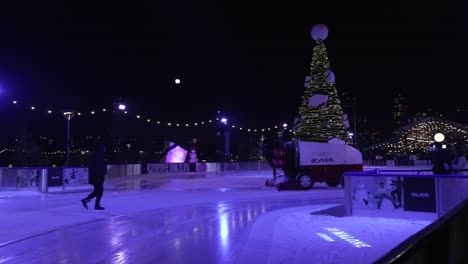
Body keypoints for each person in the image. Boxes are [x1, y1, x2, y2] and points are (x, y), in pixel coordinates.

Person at [81, 144, 107, 210]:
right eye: (103, 148)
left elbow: (103, 167)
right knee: (100, 189)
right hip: (96, 177)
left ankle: (87, 201)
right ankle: (95, 204)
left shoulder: (101, 156)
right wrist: (97, 177)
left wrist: (103, 175)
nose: (105, 149)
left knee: (98, 190)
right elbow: (94, 168)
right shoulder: (96, 157)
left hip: (99, 176)